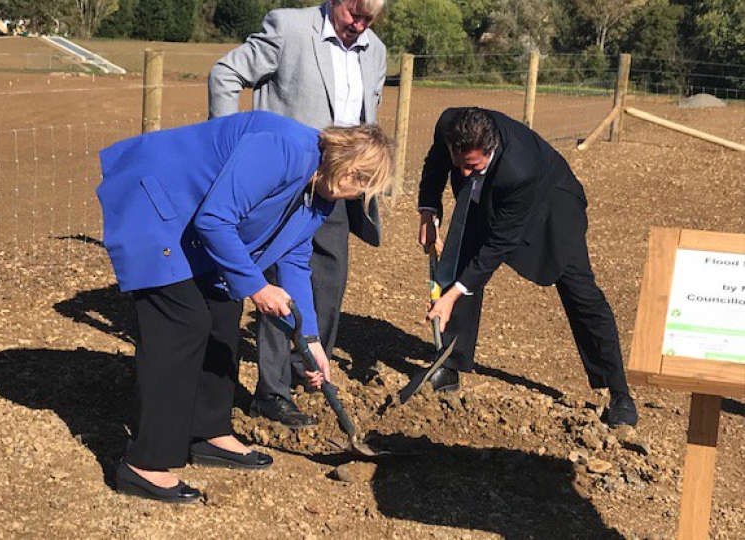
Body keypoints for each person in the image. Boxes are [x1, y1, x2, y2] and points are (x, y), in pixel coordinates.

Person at [96, 111, 394, 503]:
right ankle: (144, 463)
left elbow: (294, 259)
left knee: (222, 314)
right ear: (347, 164)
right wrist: (256, 286)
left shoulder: (322, 196)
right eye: (362, 182)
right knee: (185, 323)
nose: (359, 194)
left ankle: (208, 433)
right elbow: (215, 218)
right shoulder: (284, 149)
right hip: (156, 200)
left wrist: (310, 342)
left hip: (196, 224)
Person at [208, 0, 388, 429]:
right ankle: (272, 394)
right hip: (283, 185)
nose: (359, 26)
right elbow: (225, 73)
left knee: (325, 284)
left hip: (338, 190)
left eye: (368, 20)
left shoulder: (375, 50)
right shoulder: (288, 27)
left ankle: (303, 367)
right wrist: (227, 149)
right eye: (353, 15)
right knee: (275, 284)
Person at [417, 107, 638, 428]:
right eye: (460, 164)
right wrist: (428, 209)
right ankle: (450, 359)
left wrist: (449, 297)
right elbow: (437, 162)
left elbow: (496, 246)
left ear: (490, 151)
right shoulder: (450, 125)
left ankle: (619, 391)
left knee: (580, 291)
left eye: (473, 165)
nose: (463, 174)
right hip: (488, 197)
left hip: (550, 206)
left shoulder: (521, 169)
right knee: (460, 259)